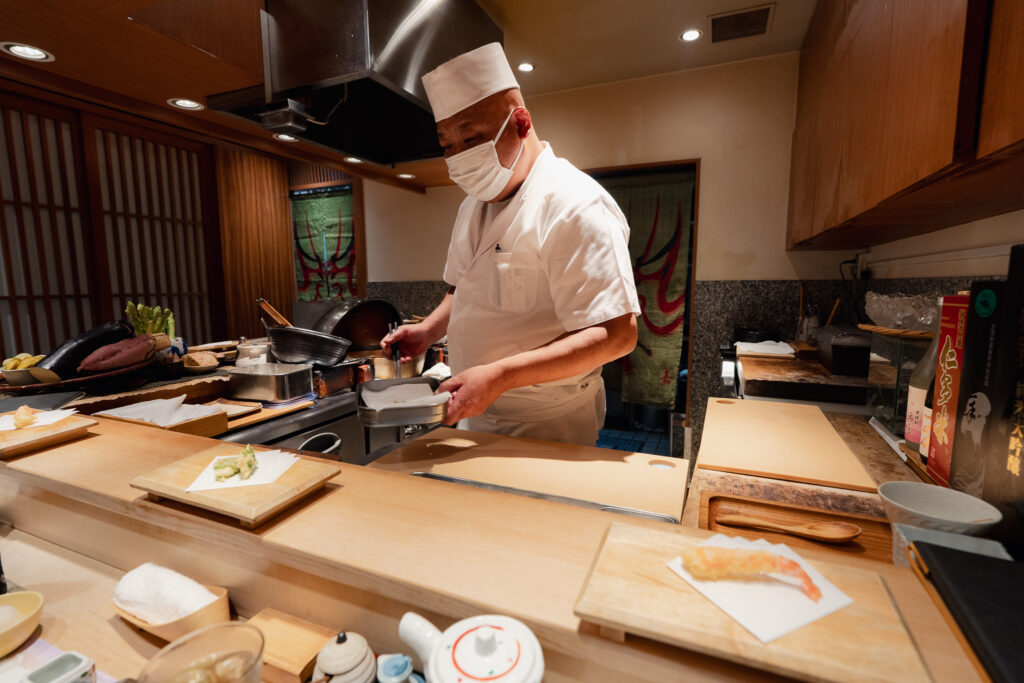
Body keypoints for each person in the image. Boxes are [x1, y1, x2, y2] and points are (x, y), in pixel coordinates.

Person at [381, 42, 639, 446]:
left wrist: (500, 376)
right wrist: (428, 330)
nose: (458, 157)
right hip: (476, 412)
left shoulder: (574, 202)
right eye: (448, 145)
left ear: (520, 122)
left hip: (548, 426)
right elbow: (463, 289)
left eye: (472, 139)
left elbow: (617, 334)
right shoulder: (472, 206)